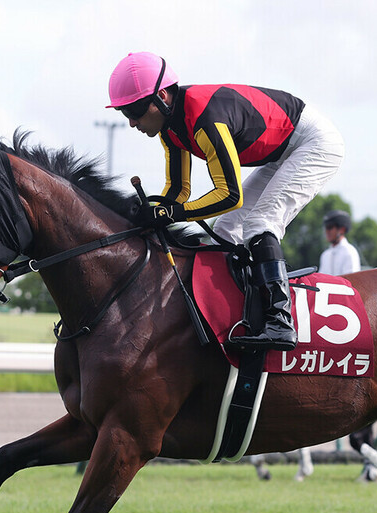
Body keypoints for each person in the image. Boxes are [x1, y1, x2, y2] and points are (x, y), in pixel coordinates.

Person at [107, 51, 345, 351]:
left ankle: (280, 322)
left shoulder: (206, 119)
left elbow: (230, 195)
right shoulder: (169, 128)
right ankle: (231, 312)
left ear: (163, 96)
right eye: (124, 113)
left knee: (260, 223)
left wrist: (172, 214)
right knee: (225, 229)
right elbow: (178, 191)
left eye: (136, 110)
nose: (131, 122)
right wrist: (149, 212)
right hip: (282, 149)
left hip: (313, 142)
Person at [318, 210, 360, 276]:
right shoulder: (325, 255)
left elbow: (352, 281)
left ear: (342, 230)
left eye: (329, 227)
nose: (326, 231)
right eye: (325, 228)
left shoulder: (350, 252)